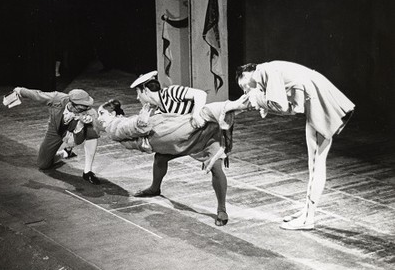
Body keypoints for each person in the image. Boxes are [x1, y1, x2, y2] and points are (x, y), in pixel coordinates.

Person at [236, 60, 355, 230]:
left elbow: (283, 106)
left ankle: (308, 218)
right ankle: (307, 212)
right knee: (314, 165)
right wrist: (263, 102)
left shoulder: (265, 71)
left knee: (316, 165)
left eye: (243, 86)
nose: (246, 90)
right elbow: (290, 108)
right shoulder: (269, 70)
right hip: (317, 100)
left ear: (246, 74)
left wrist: (260, 101)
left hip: (319, 102)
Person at [129, 71, 236, 226]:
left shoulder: (171, 92)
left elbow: (199, 94)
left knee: (216, 167)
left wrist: (196, 114)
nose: (137, 98)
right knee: (160, 157)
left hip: (206, 134)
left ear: (145, 91)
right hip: (185, 139)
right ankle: (154, 188)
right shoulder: (157, 110)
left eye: (138, 93)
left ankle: (222, 209)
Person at [98, 98, 246, 172]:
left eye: (102, 114)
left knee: (198, 124)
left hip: (159, 132)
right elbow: (126, 128)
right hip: (158, 135)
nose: (99, 118)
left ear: (113, 113)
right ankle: (240, 105)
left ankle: (237, 107)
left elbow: (128, 128)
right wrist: (140, 121)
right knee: (201, 117)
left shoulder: (115, 123)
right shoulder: (112, 127)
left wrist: (142, 120)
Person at [13, 87, 101, 184]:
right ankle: (65, 153)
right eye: (81, 108)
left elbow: (80, 140)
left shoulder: (90, 114)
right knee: (43, 164)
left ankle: (87, 171)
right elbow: (38, 95)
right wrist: (20, 91)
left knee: (91, 134)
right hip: (56, 130)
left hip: (75, 133)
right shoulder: (57, 98)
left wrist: (81, 123)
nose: (86, 109)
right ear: (72, 104)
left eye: (87, 106)